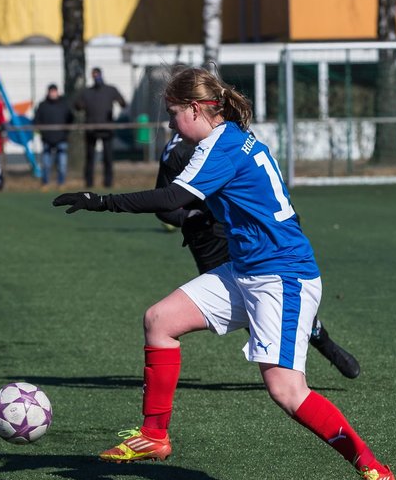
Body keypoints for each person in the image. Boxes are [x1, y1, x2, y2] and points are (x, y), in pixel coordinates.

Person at [53, 66, 395, 480]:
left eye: (174, 113)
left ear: (195, 109)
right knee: (160, 320)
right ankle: (154, 436)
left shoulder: (222, 147)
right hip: (248, 268)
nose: (171, 124)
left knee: (286, 390)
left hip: (281, 275)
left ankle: (373, 467)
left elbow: (173, 199)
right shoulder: (226, 137)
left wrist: (100, 201)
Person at [154, 130, 361, 378]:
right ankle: (284, 373)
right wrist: (189, 217)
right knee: (244, 307)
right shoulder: (177, 151)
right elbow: (163, 207)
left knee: (271, 296)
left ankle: (318, 340)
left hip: (251, 233)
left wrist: (288, 214)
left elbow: (266, 182)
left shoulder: (236, 136)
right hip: (208, 239)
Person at [74, 67, 126, 188]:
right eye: (94, 75)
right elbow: (76, 105)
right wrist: (79, 105)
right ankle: (89, 183)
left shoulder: (110, 90)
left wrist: (121, 102)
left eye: (98, 75)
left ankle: (108, 182)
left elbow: (123, 103)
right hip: (91, 129)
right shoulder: (87, 92)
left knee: (108, 158)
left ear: (102, 75)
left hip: (106, 129)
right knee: (90, 158)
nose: (96, 77)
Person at [32, 84, 73, 187]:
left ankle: (61, 183)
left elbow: (71, 119)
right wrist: (42, 132)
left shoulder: (64, 105)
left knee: (62, 164)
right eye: (51, 91)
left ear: (57, 92)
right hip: (47, 139)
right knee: (46, 164)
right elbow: (37, 120)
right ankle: (45, 183)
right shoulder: (42, 105)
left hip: (62, 139)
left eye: (55, 91)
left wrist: (66, 132)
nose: (53, 93)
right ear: (48, 92)